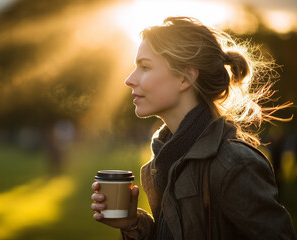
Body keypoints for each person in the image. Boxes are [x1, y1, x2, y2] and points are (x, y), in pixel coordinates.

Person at [91, 16, 296, 239]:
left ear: (185, 77)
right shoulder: (163, 161)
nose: (129, 80)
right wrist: (133, 225)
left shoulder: (235, 165)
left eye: (145, 67)